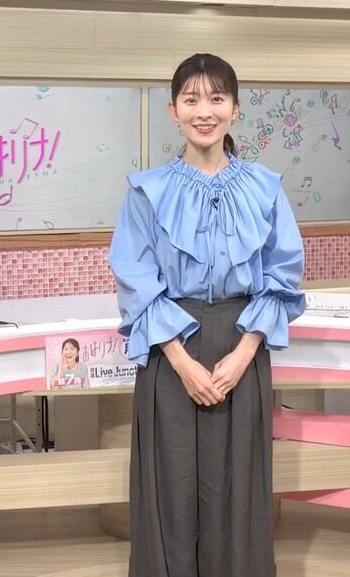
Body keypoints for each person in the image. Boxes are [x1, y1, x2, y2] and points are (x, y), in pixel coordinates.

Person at [109, 53, 305, 576]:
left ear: (235, 109)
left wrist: (243, 355)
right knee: (170, 495)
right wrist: (181, 361)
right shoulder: (145, 192)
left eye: (217, 99)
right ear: (173, 110)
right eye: (191, 99)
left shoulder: (266, 188)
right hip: (170, 354)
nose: (204, 111)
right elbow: (136, 279)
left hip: (242, 349)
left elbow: (283, 275)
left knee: (238, 493)